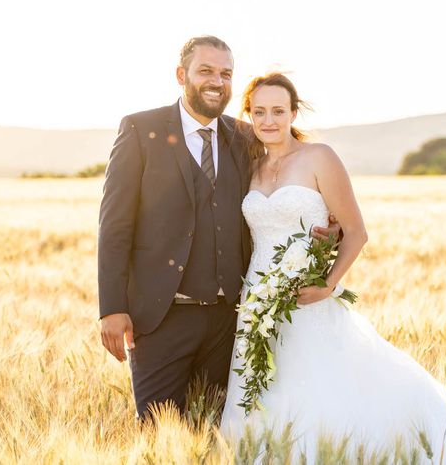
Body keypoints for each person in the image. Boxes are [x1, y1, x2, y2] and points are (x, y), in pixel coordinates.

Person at [219, 73, 446, 463]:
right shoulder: (252, 168)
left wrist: (327, 285)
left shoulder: (319, 158)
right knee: (262, 390)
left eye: (278, 111)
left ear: (293, 112)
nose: (269, 120)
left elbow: (357, 232)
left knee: (314, 390)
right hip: (256, 303)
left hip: (308, 300)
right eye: (259, 112)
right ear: (249, 115)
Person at [97, 36, 338, 420]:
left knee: (218, 435)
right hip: (160, 318)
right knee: (159, 435)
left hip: (231, 322)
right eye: (205, 71)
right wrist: (111, 308)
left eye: (226, 73)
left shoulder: (244, 136)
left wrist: (328, 225)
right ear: (182, 75)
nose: (217, 81)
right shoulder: (141, 130)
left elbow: (280, 188)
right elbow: (114, 226)